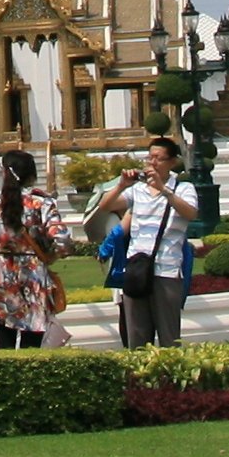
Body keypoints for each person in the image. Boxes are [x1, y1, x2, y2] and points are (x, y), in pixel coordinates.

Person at [94, 136, 198, 347]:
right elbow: (105, 206)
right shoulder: (137, 190)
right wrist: (121, 185)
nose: (152, 163)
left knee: (169, 338)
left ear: (172, 162)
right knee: (138, 339)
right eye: (150, 158)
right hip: (137, 269)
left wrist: (164, 190)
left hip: (166, 269)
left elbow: (191, 213)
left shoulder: (183, 188)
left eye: (158, 158)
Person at [0, 149, 63, 348]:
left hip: (1, 273)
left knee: (4, 341)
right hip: (33, 271)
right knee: (32, 341)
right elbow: (62, 239)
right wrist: (50, 255)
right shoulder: (41, 203)